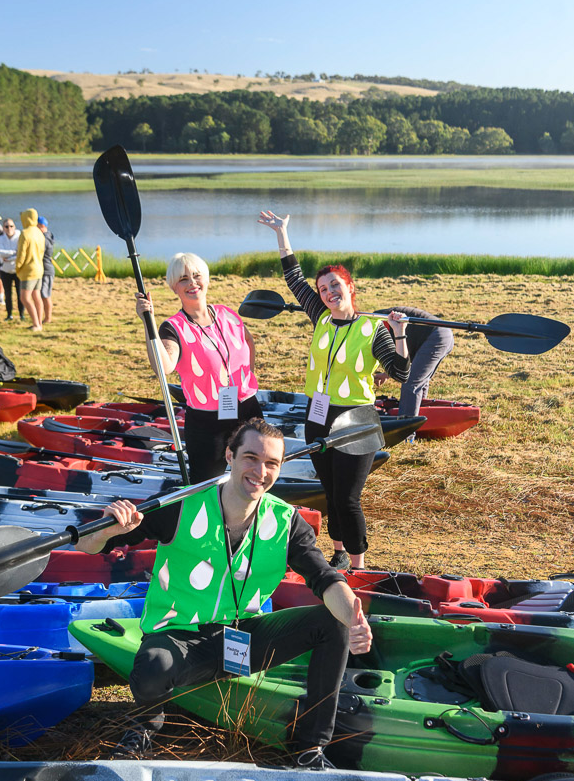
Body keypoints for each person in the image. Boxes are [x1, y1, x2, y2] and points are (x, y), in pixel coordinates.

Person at [77, 417, 373, 768]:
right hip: (180, 635)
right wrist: (107, 530)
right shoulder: (180, 505)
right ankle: (145, 726)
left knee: (334, 622)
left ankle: (309, 749)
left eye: (271, 463)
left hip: (243, 636)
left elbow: (324, 578)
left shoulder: (286, 521)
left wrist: (353, 618)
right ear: (230, 456)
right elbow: (87, 546)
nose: (260, 472)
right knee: (154, 667)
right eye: (251, 458)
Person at [259, 210, 410, 571]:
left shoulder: (373, 329)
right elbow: (294, 279)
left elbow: (400, 372)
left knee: (348, 498)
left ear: (350, 288)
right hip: (318, 414)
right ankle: (339, 551)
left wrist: (400, 333)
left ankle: (358, 566)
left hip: (357, 420)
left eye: (335, 286)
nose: (329, 293)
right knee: (330, 491)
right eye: (324, 289)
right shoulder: (321, 317)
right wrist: (282, 234)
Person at [136, 252, 262, 483]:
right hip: (207, 422)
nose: (192, 283)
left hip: (247, 410)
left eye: (196, 276)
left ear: (207, 279)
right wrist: (148, 323)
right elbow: (164, 366)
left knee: (255, 476)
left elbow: (248, 341)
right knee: (206, 485)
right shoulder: (173, 327)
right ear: (174, 287)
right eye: (183, 279)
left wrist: (247, 380)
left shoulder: (226, 314)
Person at [374, 305, 455, 419]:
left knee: (411, 383)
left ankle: (407, 425)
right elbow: (402, 358)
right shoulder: (375, 319)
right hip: (441, 333)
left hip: (435, 335)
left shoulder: (373, 323)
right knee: (420, 381)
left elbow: (398, 355)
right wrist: (386, 374)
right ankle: (419, 416)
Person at [15, 208, 45, 331]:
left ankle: (36, 324)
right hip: (39, 268)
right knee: (36, 296)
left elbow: (21, 254)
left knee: (25, 298)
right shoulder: (39, 232)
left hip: (28, 271)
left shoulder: (25, 233)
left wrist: (17, 267)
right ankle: (40, 323)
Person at [0, 218, 22, 321]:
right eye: (6, 226)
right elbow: (0, 252)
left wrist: (9, 257)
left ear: (14, 227)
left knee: (20, 293)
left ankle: (21, 314)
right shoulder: (0, 239)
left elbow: (20, 253)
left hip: (17, 269)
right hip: (5, 270)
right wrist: (14, 253)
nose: (9, 228)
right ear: (3, 228)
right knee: (7, 293)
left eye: (11, 226)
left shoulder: (19, 237)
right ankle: (9, 314)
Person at [37, 215, 55, 324]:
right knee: (43, 294)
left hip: (46, 269)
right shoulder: (48, 236)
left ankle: (48, 318)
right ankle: (45, 317)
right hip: (44, 269)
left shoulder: (45, 238)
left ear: (42, 226)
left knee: (45, 295)